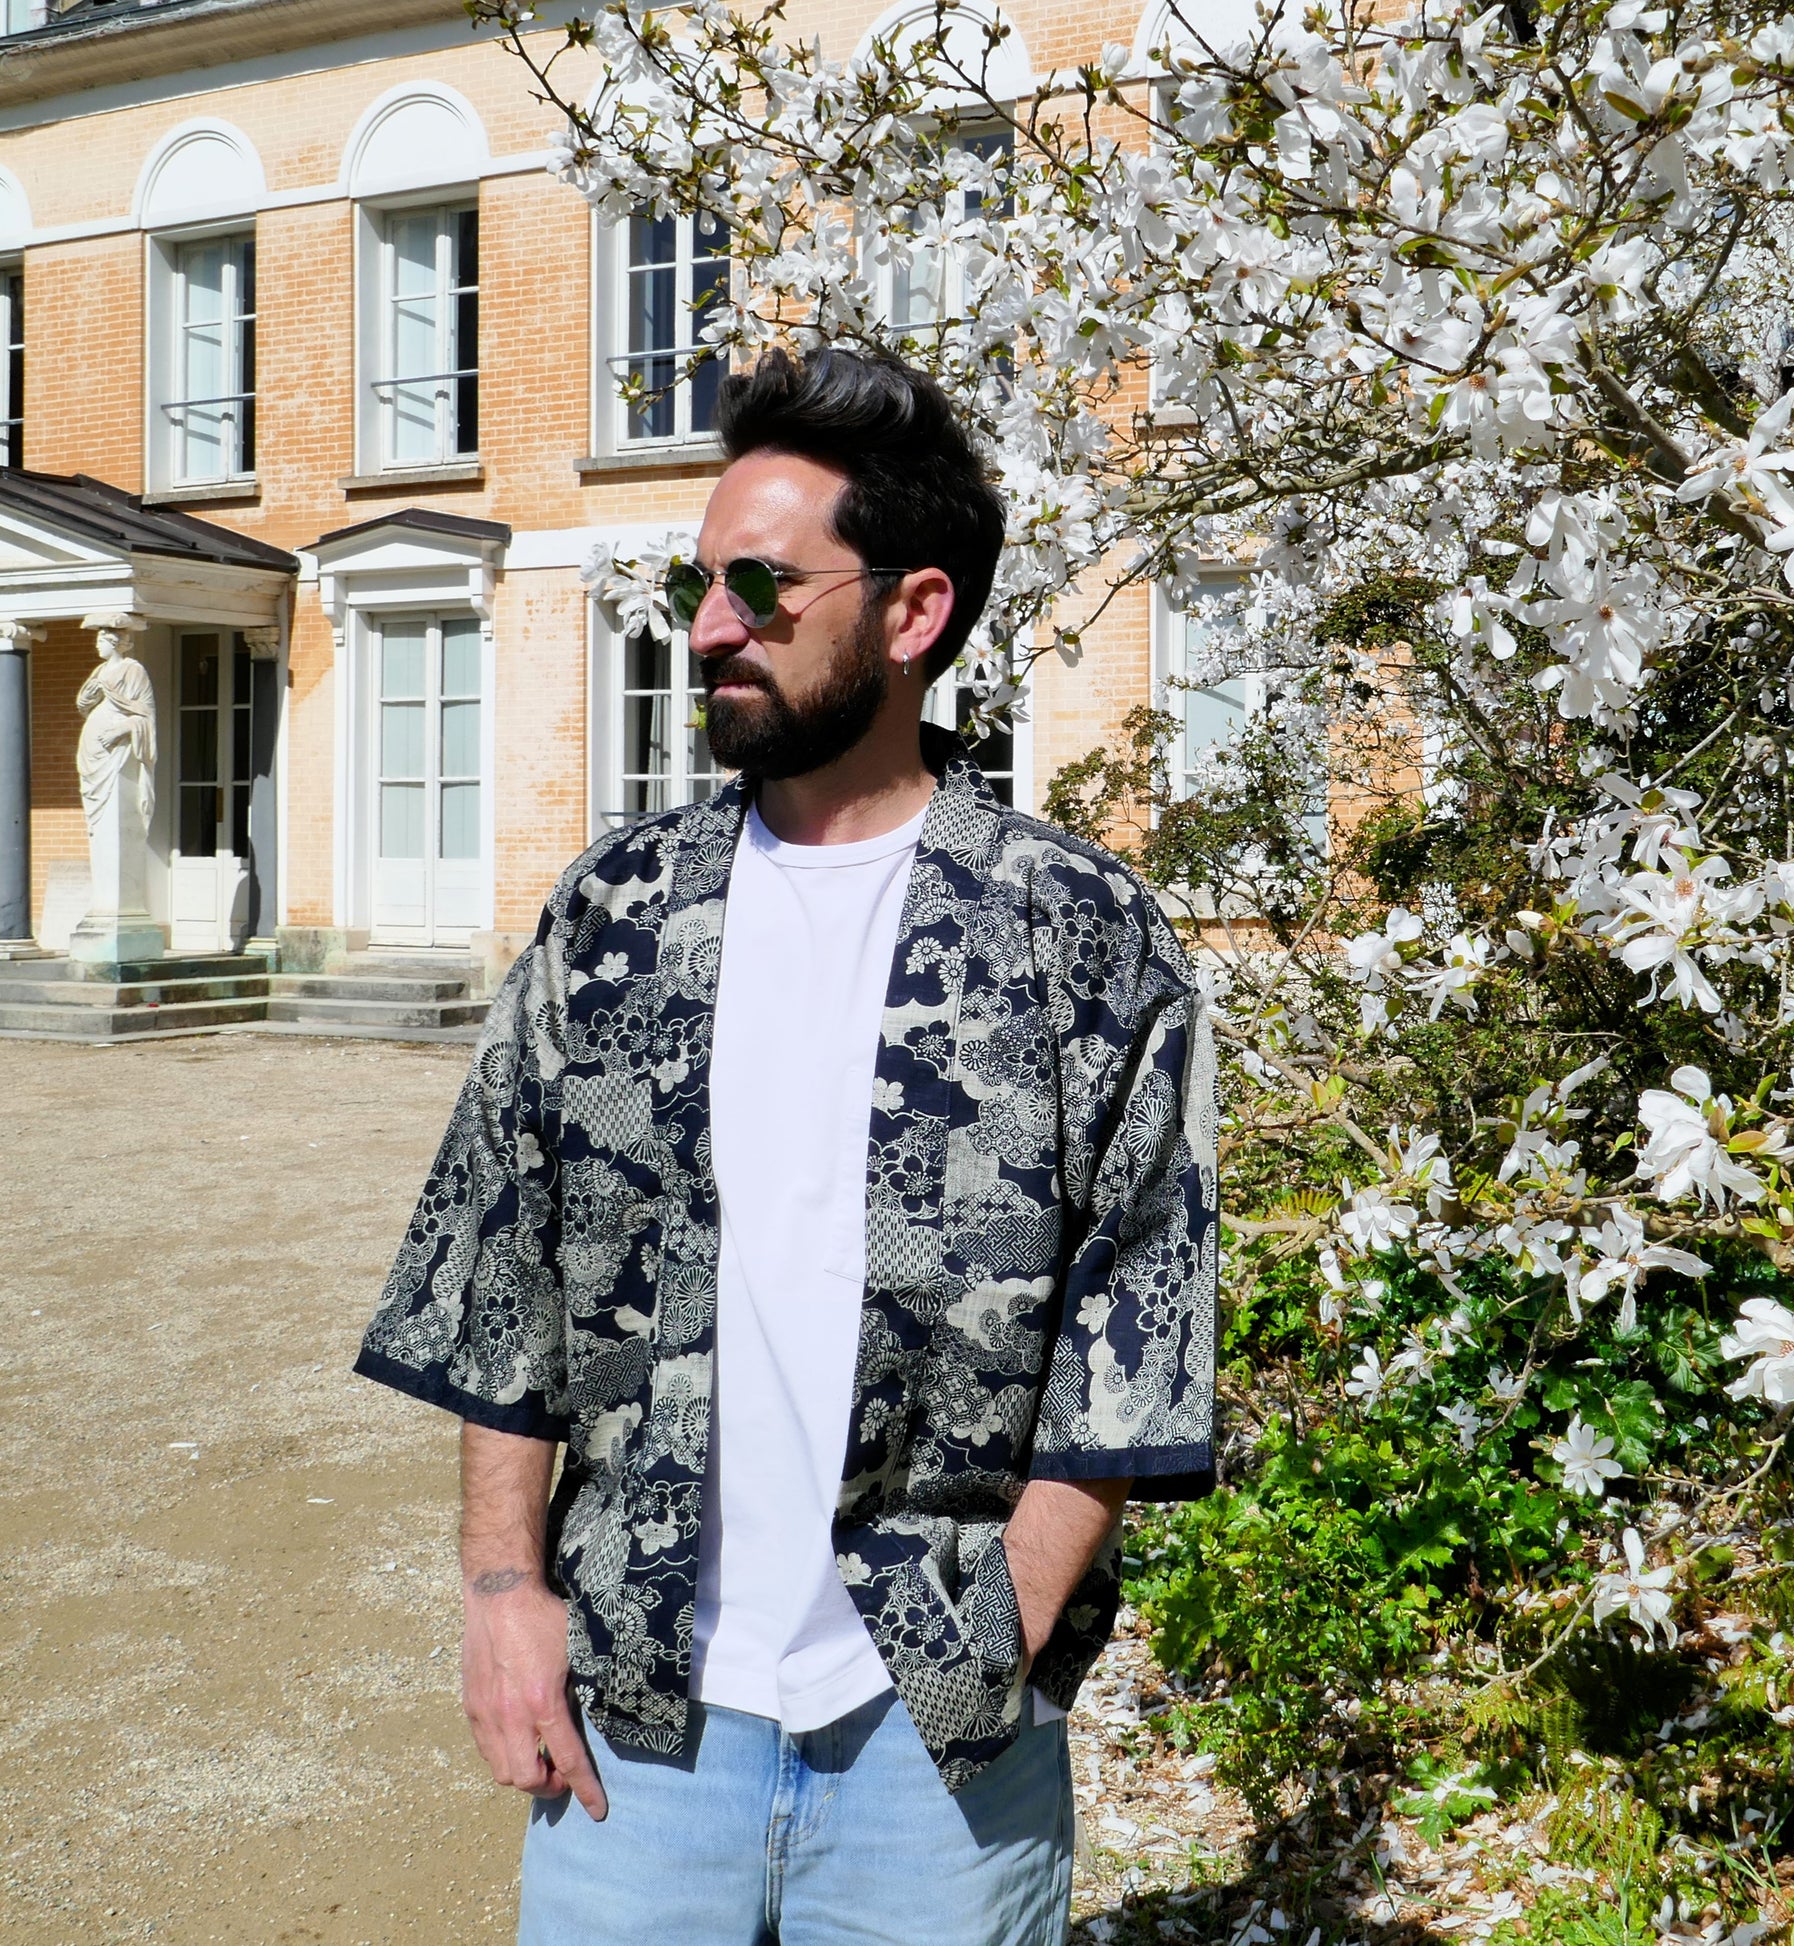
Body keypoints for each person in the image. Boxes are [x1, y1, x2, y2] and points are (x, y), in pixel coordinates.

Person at [355, 345, 1218, 1946]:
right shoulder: (614, 918)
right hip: (634, 1717)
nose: (706, 629)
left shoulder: (1077, 934)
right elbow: (505, 1272)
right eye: (699, 583)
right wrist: (499, 1591)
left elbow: (1135, 1317)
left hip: (931, 1749)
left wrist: (1001, 1623)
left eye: (762, 585)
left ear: (911, 613)